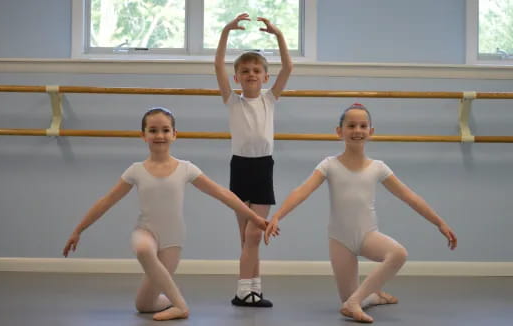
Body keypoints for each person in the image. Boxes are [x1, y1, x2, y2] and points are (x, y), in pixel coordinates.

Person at [62, 107, 270, 321]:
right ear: (143, 136)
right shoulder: (136, 170)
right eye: (153, 130)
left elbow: (222, 194)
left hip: (172, 241)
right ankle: (181, 305)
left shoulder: (186, 168)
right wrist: (79, 230)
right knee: (143, 249)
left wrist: (255, 218)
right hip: (146, 231)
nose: (159, 135)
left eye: (165, 130)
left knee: (143, 305)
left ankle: (168, 299)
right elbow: (106, 201)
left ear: (174, 134)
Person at [264, 103, 458, 323]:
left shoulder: (378, 167)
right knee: (347, 298)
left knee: (398, 254)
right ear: (340, 131)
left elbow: (409, 196)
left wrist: (439, 222)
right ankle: (370, 297)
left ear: (371, 132)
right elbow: (301, 191)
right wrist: (278, 215)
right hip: (340, 240)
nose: (357, 130)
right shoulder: (329, 165)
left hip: (368, 236)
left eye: (363, 126)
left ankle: (356, 302)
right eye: (351, 125)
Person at [214, 12, 293, 307]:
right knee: (245, 238)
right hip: (240, 167)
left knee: (254, 235)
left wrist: (278, 35)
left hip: (262, 167)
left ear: (264, 77)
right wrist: (225, 31)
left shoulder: (269, 99)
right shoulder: (232, 100)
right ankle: (249, 291)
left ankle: (247, 291)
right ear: (237, 77)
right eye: (244, 70)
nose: (250, 74)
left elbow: (289, 66)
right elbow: (217, 66)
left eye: (256, 70)